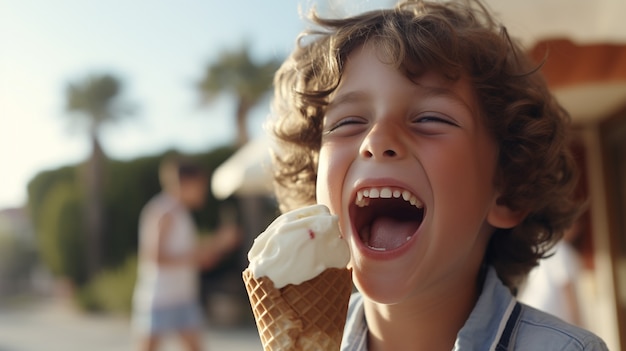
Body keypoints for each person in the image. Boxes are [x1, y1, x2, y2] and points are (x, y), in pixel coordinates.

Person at [268, 0, 608, 350]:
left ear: (506, 191)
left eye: (430, 118)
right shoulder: (297, 340)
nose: (377, 140)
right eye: (348, 122)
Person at [132, 156, 240, 351]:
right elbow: (155, 257)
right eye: (200, 184)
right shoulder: (163, 211)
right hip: (160, 298)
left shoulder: (182, 213)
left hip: (183, 296)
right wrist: (216, 242)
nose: (203, 191)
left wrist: (219, 246)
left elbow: (191, 257)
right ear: (186, 182)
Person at [517, 220, 584, 326]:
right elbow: (566, 286)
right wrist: (578, 322)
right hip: (551, 312)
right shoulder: (562, 250)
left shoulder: (543, 248)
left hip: (532, 308)